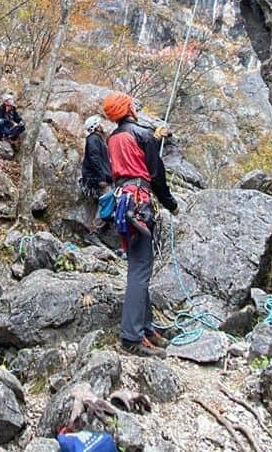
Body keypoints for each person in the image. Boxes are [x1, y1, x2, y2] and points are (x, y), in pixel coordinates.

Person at [103, 92, 178, 358]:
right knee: (140, 270)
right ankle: (131, 336)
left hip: (125, 205)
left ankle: (145, 328)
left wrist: (154, 139)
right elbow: (155, 174)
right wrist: (171, 204)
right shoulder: (142, 134)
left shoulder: (112, 138)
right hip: (140, 204)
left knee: (138, 266)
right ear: (127, 109)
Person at [79, 115, 113, 248]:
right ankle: (95, 231)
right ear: (96, 127)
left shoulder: (97, 139)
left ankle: (95, 227)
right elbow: (94, 160)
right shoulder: (93, 139)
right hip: (96, 178)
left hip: (98, 176)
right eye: (100, 123)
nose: (102, 125)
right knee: (109, 198)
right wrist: (101, 179)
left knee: (103, 201)